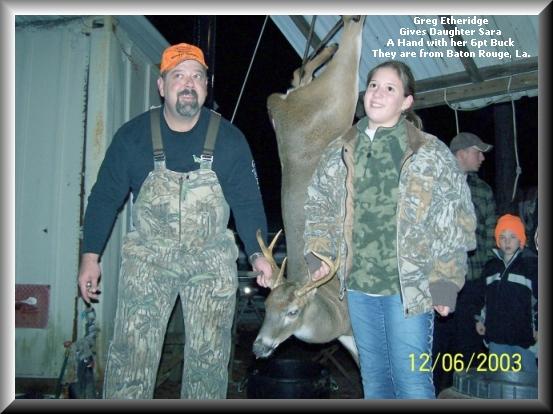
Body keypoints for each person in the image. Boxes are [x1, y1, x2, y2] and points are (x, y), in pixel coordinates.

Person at [77, 42, 273, 399]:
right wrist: (90, 256)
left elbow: (247, 204)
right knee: (132, 355)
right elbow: (105, 197)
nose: (188, 83)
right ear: (162, 85)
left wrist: (260, 256)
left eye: (196, 76)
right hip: (150, 259)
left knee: (209, 361)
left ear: (206, 85)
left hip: (210, 258)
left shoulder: (229, 139)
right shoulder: (132, 137)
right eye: (178, 75)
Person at [300, 60, 477, 399]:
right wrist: (318, 253)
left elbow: (455, 220)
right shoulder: (341, 148)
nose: (377, 93)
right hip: (359, 288)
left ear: (406, 102)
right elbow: (319, 204)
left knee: (412, 384)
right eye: (373, 86)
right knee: (376, 383)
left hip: (409, 290)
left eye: (389, 88)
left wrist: (444, 283)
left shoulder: (430, 152)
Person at [433, 132, 497, 393]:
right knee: (438, 342)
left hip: (472, 282)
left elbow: (492, 236)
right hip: (440, 281)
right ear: (460, 153)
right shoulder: (434, 183)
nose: (482, 157)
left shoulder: (482, 190)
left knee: (469, 343)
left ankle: (468, 394)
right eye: (477, 151)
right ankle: (436, 392)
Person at [475, 214, 538, 372]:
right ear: (497, 240)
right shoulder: (491, 268)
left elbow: (537, 301)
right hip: (497, 336)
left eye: (512, 236)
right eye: (502, 237)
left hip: (524, 338)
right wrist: (480, 320)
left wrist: (538, 327)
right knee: (499, 380)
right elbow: (482, 299)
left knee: (529, 382)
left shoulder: (530, 268)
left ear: (521, 240)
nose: (507, 241)